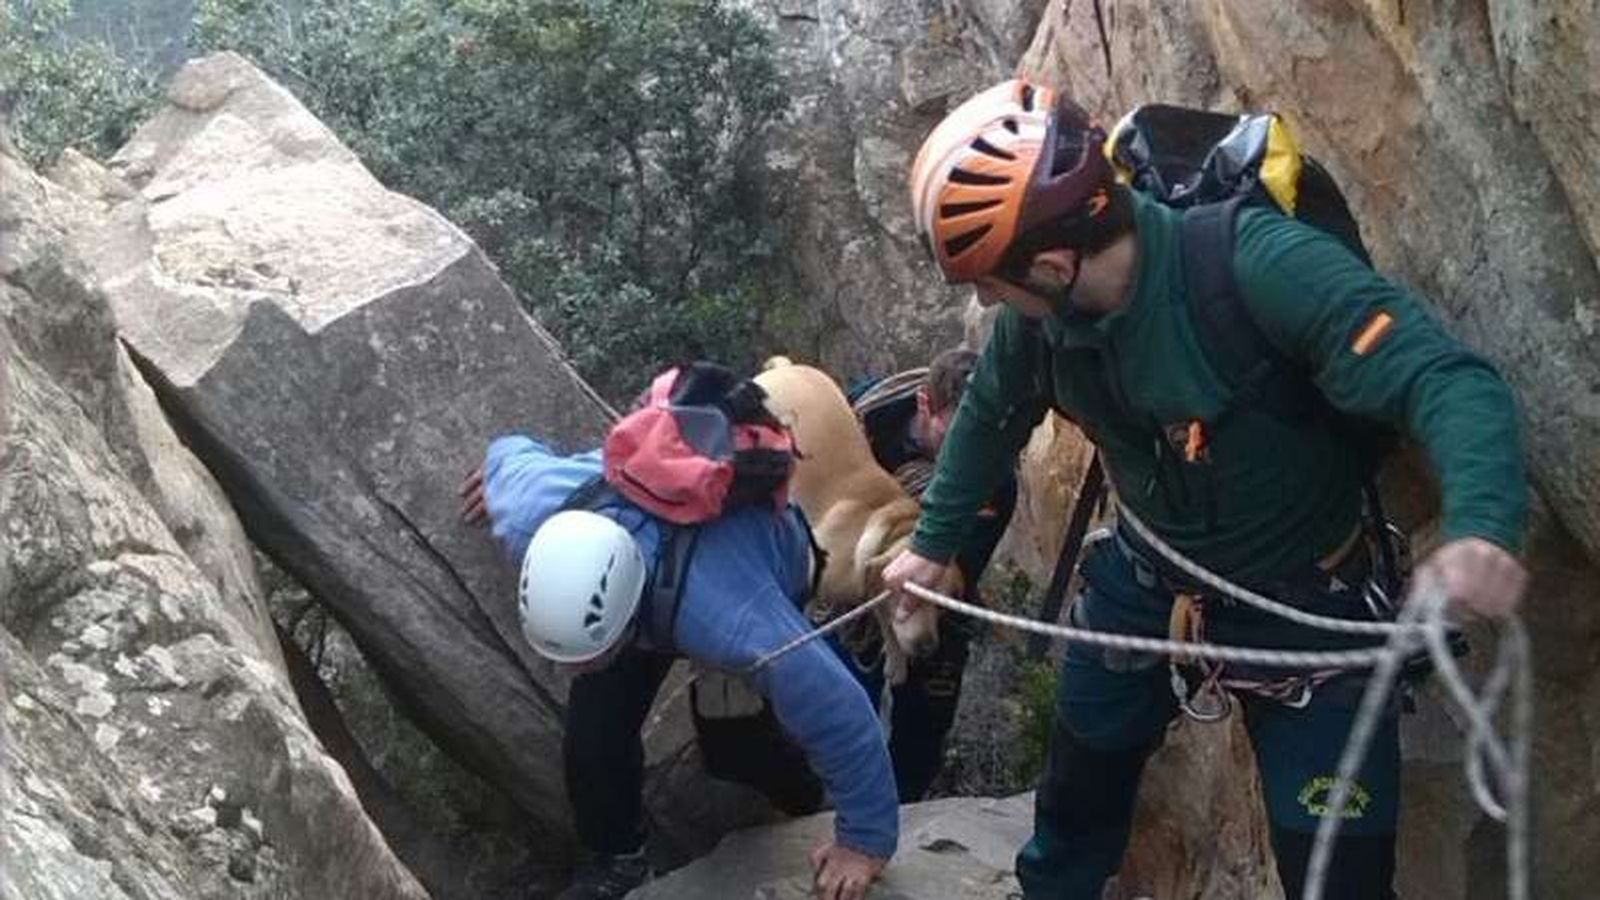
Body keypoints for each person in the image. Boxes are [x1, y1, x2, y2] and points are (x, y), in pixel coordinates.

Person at [884, 79, 1529, 899]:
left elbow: (1445, 380)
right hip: (1147, 575)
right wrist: (932, 548)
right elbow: (988, 415)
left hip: (1311, 610)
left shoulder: (1257, 268)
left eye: (988, 280)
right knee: (1079, 786)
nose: (984, 299)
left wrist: (1481, 527)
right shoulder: (1039, 325)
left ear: (1052, 263)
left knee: (1338, 872)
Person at [461, 435, 897, 900]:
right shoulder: (527, 508)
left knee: (737, 745)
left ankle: (810, 802)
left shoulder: (735, 623)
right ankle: (620, 859)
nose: (572, 671)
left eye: (588, 656)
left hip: (757, 552)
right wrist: (496, 468)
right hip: (635, 572)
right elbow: (510, 452)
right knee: (593, 736)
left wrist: (863, 840)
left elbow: (838, 707)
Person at [843, 347, 1018, 801]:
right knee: (841, 697)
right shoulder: (865, 421)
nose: (970, 447)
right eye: (956, 429)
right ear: (925, 404)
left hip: (934, 598)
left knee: (924, 719)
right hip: (852, 589)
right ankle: (834, 798)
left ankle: (905, 803)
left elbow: (956, 568)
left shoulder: (995, 477)